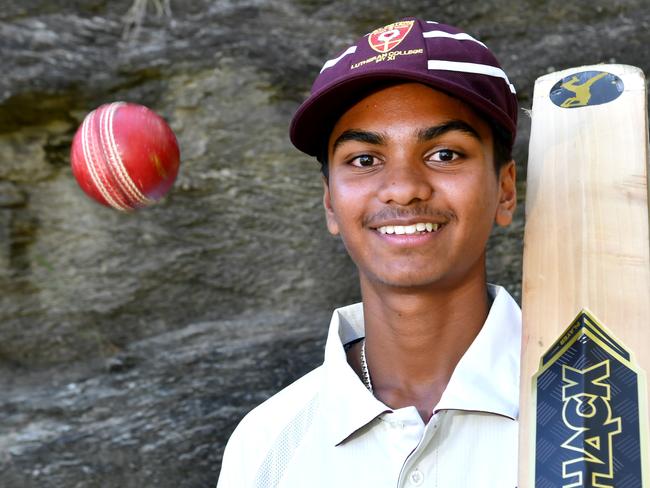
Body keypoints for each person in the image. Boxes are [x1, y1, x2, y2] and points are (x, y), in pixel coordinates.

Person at [217, 17, 520, 487]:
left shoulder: (608, 407)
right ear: (330, 204)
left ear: (505, 190)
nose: (402, 189)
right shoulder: (266, 444)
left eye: (444, 154)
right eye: (364, 160)